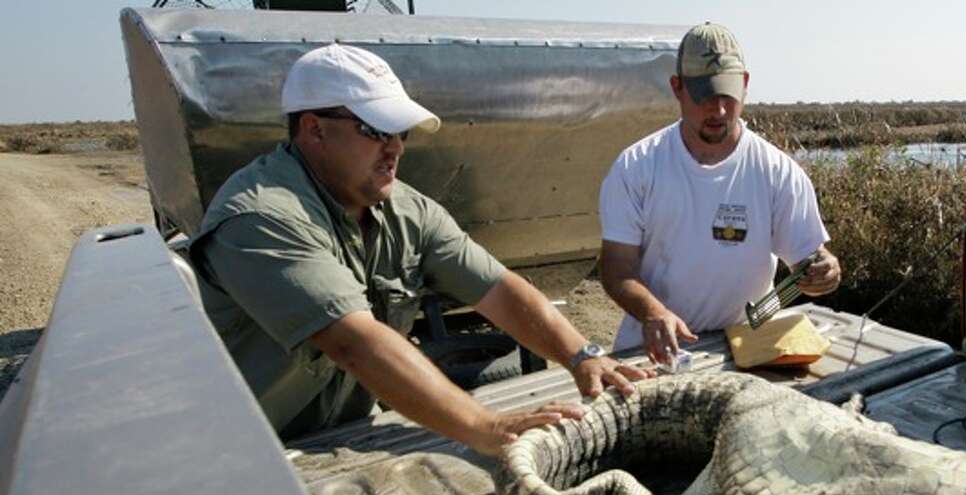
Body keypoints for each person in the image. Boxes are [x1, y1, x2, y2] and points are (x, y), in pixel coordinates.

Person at [190, 43, 650, 455]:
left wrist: (581, 355)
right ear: (314, 130)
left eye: (401, 134)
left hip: (345, 439)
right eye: (376, 130)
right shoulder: (262, 217)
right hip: (249, 456)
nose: (394, 149)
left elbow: (498, 290)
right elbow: (355, 344)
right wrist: (487, 427)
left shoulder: (405, 210)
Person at [598, 22, 841, 364]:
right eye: (704, 95)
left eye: (727, 94)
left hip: (748, 348)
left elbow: (811, 258)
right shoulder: (636, 166)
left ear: (744, 85)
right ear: (677, 88)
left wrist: (824, 271)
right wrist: (653, 312)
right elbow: (617, 271)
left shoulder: (778, 171)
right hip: (655, 353)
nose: (719, 109)